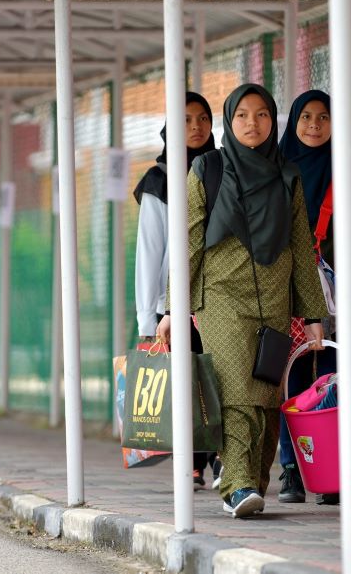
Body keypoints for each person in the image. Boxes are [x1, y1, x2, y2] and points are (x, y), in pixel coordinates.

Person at [155, 83, 328, 519]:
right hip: (220, 299)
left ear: (273, 121)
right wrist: (175, 308)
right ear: (230, 122)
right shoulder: (207, 171)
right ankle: (237, 483)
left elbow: (301, 248)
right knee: (236, 390)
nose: (253, 123)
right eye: (243, 116)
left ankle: (254, 482)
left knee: (267, 397)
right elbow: (189, 242)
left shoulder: (286, 175)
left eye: (262, 115)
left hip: (273, 300)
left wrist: (312, 314)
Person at [276, 89, 351, 506]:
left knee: (338, 377)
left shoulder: (350, 174)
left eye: (324, 117)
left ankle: (334, 470)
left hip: (342, 290)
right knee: (295, 376)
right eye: (306, 118)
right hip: (289, 289)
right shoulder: (278, 170)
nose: (315, 126)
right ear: (294, 123)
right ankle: (292, 470)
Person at [133, 91, 220, 490]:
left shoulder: (224, 169)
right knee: (188, 379)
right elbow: (150, 249)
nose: (197, 126)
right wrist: (146, 315)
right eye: (185, 120)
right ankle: (193, 459)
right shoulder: (160, 180)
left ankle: (217, 454)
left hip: (219, 291)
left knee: (218, 376)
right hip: (174, 301)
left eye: (203, 118)